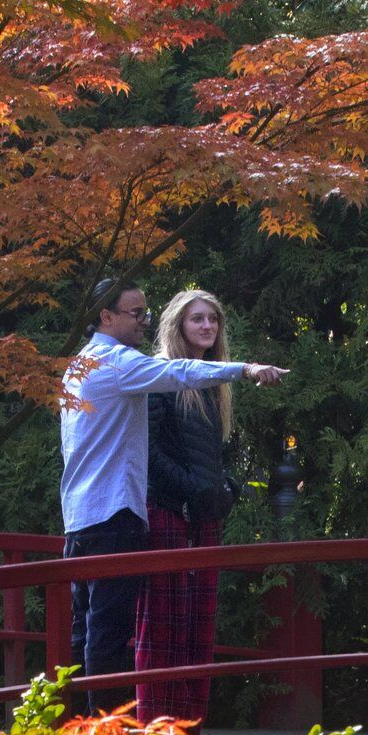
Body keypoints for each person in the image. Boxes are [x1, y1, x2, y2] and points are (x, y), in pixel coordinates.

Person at [59, 276, 282, 713]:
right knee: (109, 638)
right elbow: (178, 371)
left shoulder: (77, 367)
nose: (144, 320)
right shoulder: (118, 363)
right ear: (106, 316)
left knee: (85, 635)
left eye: (146, 311)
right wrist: (245, 369)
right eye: (135, 313)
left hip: (79, 516)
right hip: (114, 515)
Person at [137, 289, 248, 725]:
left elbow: (218, 453)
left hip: (204, 515)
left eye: (212, 320)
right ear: (178, 326)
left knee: (199, 623)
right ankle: (155, 729)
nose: (206, 327)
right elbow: (148, 452)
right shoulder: (161, 378)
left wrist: (226, 489)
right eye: (196, 319)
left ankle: (190, 724)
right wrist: (190, 490)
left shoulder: (214, 383)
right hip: (166, 509)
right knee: (163, 622)